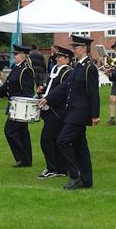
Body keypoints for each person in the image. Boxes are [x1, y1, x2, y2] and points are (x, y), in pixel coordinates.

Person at [39, 35, 100, 189]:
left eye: (76, 47)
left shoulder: (89, 67)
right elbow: (65, 86)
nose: (74, 50)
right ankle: (86, 180)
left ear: (84, 48)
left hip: (80, 112)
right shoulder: (78, 66)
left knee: (62, 140)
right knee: (80, 147)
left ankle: (74, 175)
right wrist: (48, 98)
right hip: (72, 111)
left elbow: (94, 93)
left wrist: (95, 114)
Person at [0, 44, 35, 167]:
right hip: (14, 104)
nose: (14, 57)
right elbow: (7, 85)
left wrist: (24, 107)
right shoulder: (16, 67)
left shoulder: (26, 70)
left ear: (23, 56)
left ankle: (22, 158)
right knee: (22, 132)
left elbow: (28, 91)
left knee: (10, 131)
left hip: (20, 106)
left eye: (16, 54)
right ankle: (26, 160)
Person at [37, 45, 73, 179]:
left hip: (58, 111)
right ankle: (62, 169)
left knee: (46, 139)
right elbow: (53, 87)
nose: (57, 58)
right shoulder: (56, 70)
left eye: (60, 57)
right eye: (57, 56)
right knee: (56, 140)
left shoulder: (67, 72)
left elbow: (63, 91)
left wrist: (48, 98)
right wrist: (43, 90)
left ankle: (52, 168)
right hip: (49, 109)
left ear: (67, 59)